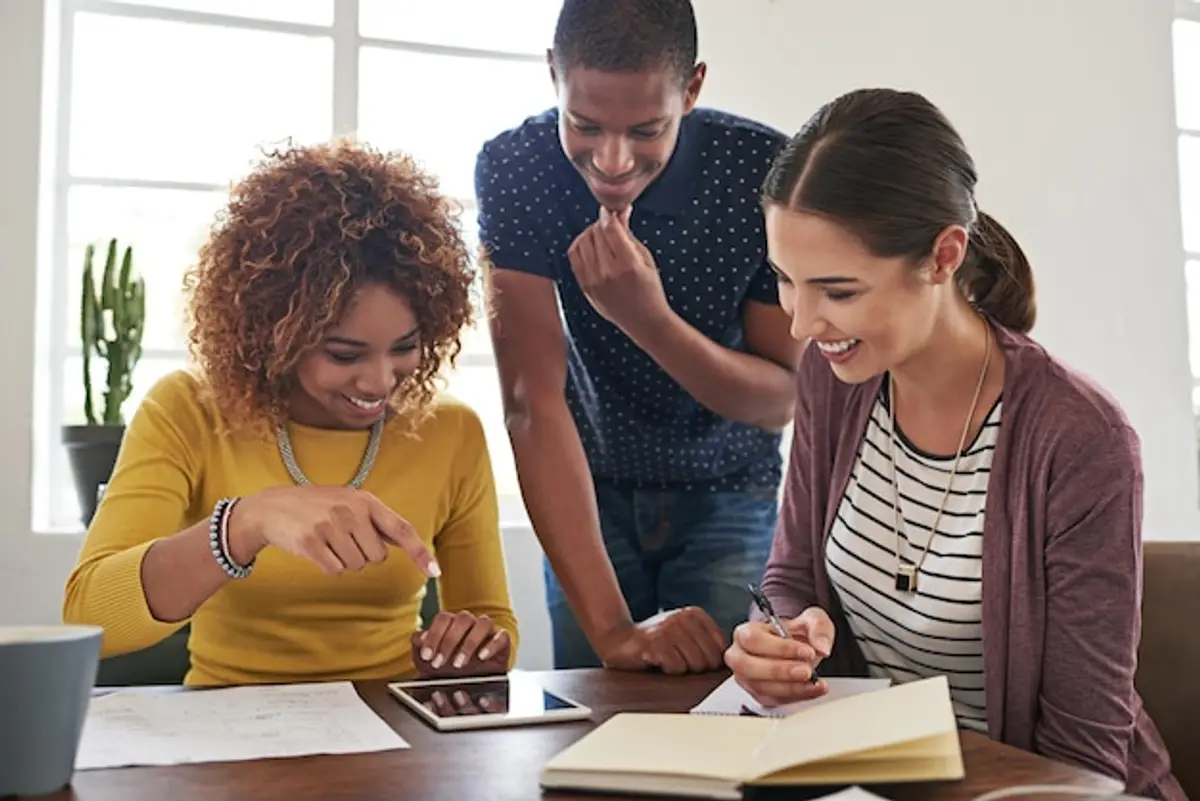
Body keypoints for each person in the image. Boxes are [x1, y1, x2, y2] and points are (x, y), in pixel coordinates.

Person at [722, 88, 1183, 799]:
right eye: (786, 280)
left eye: (838, 292)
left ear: (943, 256)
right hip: (878, 779)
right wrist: (778, 637)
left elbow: (1084, 758)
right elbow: (793, 575)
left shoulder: (1080, 440)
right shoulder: (834, 378)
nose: (802, 324)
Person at [62, 139, 519, 687]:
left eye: (405, 347)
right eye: (344, 354)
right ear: (274, 336)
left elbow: (491, 620)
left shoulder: (451, 431)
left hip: (394, 722)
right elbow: (91, 615)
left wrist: (474, 649)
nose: (380, 382)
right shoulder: (188, 411)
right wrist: (244, 524)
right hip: (229, 721)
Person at [475, 0, 803, 673]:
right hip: (587, 490)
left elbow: (782, 400)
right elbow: (530, 403)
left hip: (728, 489)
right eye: (584, 125)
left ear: (693, 88)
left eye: (647, 130)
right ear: (553, 74)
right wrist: (614, 632)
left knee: (721, 716)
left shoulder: (762, 171)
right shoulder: (517, 166)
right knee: (593, 713)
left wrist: (647, 320)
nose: (613, 160)